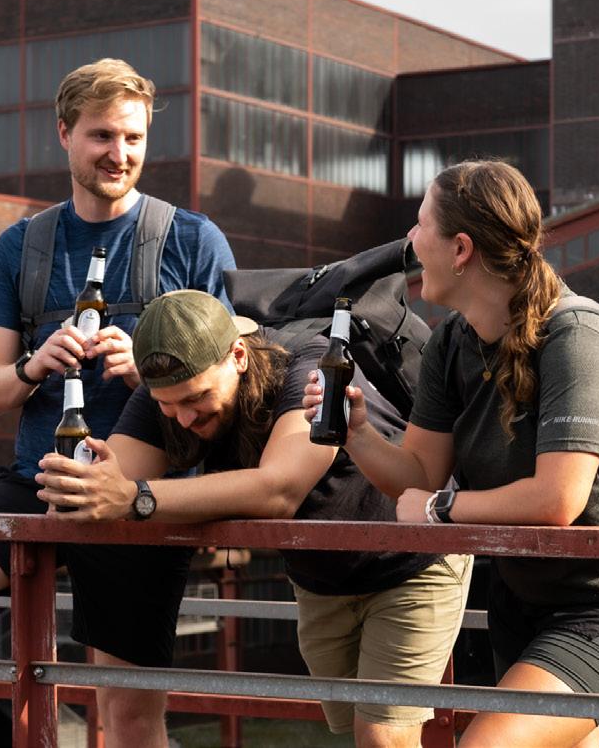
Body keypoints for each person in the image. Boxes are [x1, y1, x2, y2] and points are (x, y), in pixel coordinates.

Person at [0, 59, 235, 748]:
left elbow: (231, 389)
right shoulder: (24, 244)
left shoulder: (191, 239)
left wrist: (147, 373)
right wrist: (34, 364)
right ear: (64, 133)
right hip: (39, 480)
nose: (119, 153)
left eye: (133, 137)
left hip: (135, 496)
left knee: (127, 719)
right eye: (101, 135)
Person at [304, 160, 599, 748]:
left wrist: (439, 510)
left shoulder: (575, 335)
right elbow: (419, 473)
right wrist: (359, 435)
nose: (409, 240)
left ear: (460, 249)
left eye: (420, 224)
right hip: (519, 598)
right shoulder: (451, 342)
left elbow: (557, 499)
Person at [39, 289, 472, 748]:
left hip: (409, 561)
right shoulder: (165, 394)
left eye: (197, 397)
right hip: (322, 582)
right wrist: (79, 492)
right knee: (357, 732)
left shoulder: (309, 366)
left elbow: (279, 489)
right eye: (167, 405)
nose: (183, 418)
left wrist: (135, 498)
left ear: (239, 356)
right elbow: (110, 484)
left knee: (383, 735)